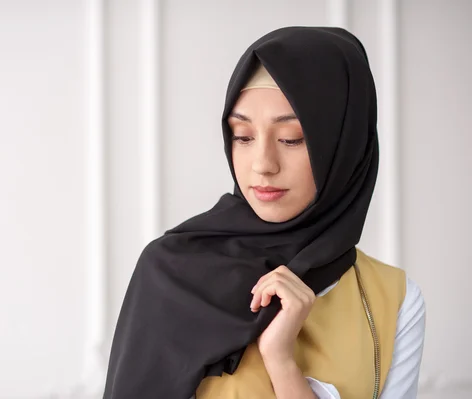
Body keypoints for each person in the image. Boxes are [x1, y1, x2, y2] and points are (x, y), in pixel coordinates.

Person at [103, 26, 425, 399]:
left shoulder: (393, 300)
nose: (262, 165)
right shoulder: (171, 273)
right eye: (242, 136)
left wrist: (282, 361)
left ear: (344, 146)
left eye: (292, 139)